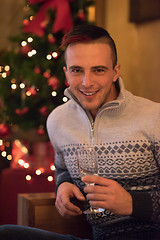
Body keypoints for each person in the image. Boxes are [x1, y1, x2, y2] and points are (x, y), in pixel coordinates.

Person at [0, 24, 160, 240]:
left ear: (115, 72)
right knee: (7, 234)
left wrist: (133, 203)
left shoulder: (154, 117)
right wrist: (63, 185)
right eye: (77, 70)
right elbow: (62, 169)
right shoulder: (58, 120)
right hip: (97, 237)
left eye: (99, 70)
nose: (87, 82)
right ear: (66, 73)